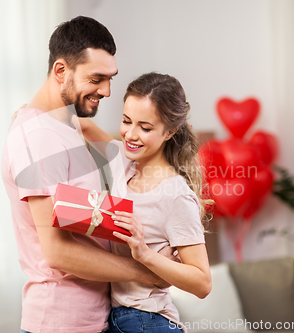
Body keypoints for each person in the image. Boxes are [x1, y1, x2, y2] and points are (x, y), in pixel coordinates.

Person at [1, 17, 171, 333]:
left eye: (110, 78)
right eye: (96, 79)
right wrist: (149, 271)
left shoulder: (64, 125)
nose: (106, 91)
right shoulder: (38, 136)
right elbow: (58, 251)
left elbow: (131, 162)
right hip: (59, 323)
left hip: (96, 319)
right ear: (61, 71)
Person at [80, 72, 212, 332]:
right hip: (119, 319)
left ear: (170, 132)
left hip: (149, 320)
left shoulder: (175, 194)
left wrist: (145, 255)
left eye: (145, 127)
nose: (130, 134)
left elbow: (203, 282)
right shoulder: (122, 160)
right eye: (126, 121)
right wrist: (32, 116)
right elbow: (79, 123)